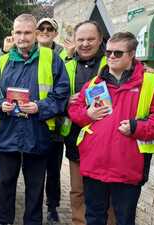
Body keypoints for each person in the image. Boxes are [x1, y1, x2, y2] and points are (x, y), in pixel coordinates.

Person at [68, 31, 154, 225]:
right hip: (94, 164)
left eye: (117, 53)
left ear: (132, 54)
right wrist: (87, 115)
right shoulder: (95, 82)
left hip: (127, 166)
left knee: (124, 219)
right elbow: (74, 108)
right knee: (93, 217)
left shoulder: (152, 83)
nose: (111, 56)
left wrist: (137, 127)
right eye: (108, 52)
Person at [0, 14, 69, 225]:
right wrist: (0, 105)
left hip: (37, 133)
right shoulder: (2, 60)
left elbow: (62, 93)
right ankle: (3, 222)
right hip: (8, 132)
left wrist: (39, 107)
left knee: (35, 188)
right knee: (4, 185)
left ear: (36, 34)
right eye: (18, 32)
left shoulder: (51, 58)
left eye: (27, 32)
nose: (22, 37)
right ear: (13, 34)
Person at [62, 20, 117, 225]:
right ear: (75, 41)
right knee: (78, 191)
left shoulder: (111, 63)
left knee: (108, 192)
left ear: (101, 40)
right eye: (81, 39)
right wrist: (65, 100)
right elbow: (54, 96)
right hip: (77, 139)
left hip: (107, 142)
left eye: (90, 39)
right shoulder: (66, 65)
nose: (85, 44)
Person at [35, 17, 69, 224]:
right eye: (42, 28)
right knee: (34, 171)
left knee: (53, 171)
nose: (45, 31)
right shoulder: (29, 51)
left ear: (55, 33)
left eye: (50, 29)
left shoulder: (64, 55)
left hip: (55, 124)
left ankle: (52, 207)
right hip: (33, 123)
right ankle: (34, 206)